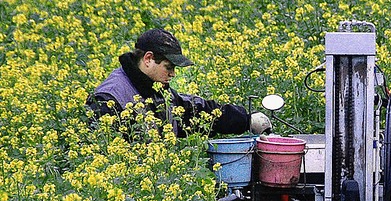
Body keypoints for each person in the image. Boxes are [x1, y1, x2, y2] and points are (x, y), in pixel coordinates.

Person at [86, 28, 271, 137]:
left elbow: (197, 111)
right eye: (169, 67)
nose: (173, 74)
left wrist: (245, 120)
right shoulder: (108, 99)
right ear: (148, 59)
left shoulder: (156, 90)